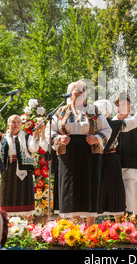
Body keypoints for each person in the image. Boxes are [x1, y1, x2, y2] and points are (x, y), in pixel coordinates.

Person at [42, 80, 112, 225]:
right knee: (71, 189)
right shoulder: (61, 111)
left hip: (89, 154)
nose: (81, 94)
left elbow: (107, 129)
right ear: (70, 94)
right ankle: (75, 228)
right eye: (77, 91)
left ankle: (91, 228)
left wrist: (97, 138)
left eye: (83, 91)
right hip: (68, 156)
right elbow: (50, 130)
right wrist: (59, 138)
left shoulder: (94, 110)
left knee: (89, 187)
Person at [93, 97, 137, 219]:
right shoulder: (115, 124)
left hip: (96, 162)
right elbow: (134, 121)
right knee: (115, 195)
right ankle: (120, 227)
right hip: (112, 161)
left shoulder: (91, 127)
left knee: (98, 194)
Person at [0, 115, 45, 220]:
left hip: (24, 170)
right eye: (13, 122)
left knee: (25, 200)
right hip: (8, 170)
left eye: (18, 122)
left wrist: (36, 133)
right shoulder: (3, 137)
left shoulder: (27, 136)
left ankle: (28, 227)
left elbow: (33, 148)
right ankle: (6, 228)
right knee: (6, 200)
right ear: (8, 124)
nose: (16, 125)